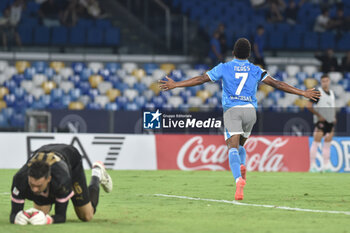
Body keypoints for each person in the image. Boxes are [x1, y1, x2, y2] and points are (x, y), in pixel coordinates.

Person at [159, 38, 320, 200]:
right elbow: (277, 84)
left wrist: (176, 84)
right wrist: (303, 93)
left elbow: (201, 79)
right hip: (250, 111)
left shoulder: (224, 67)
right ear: (249, 54)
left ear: (233, 53)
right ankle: (242, 167)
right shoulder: (255, 69)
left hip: (232, 110)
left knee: (232, 147)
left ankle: (238, 181)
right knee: (240, 145)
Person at [10, 144, 113, 225]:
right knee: (40, 215)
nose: (35, 189)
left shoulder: (62, 179)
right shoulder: (19, 179)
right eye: (32, 185)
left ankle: (97, 173)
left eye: (39, 186)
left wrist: (48, 220)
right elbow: (13, 214)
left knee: (86, 215)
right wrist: (16, 217)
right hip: (45, 151)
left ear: (48, 179)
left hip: (71, 160)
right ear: (28, 177)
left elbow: (61, 216)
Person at [306, 74, 336, 172]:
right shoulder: (318, 92)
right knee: (316, 143)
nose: (325, 83)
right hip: (320, 122)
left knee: (327, 144)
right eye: (323, 81)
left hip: (330, 122)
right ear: (321, 82)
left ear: (329, 81)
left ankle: (326, 166)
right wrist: (319, 115)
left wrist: (334, 116)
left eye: (326, 81)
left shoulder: (331, 93)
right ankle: (313, 165)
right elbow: (309, 105)